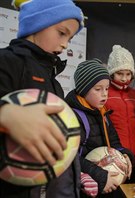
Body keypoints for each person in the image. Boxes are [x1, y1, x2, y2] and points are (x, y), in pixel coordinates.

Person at [0, 0, 84, 197]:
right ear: (37, 24)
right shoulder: (7, 61)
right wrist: (5, 113)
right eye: (62, 33)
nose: (65, 44)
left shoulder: (52, 79)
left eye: (70, 39)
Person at [65, 59, 133, 197]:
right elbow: (69, 157)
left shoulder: (103, 113)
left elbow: (115, 144)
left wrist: (125, 156)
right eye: (98, 89)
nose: (104, 94)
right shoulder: (71, 117)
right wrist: (101, 177)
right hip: (85, 189)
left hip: (106, 183)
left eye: (107, 88)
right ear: (83, 90)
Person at [105, 45, 135, 182]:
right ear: (111, 73)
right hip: (113, 159)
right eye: (120, 74)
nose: (124, 78)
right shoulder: (104, 94)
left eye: (128, 74)